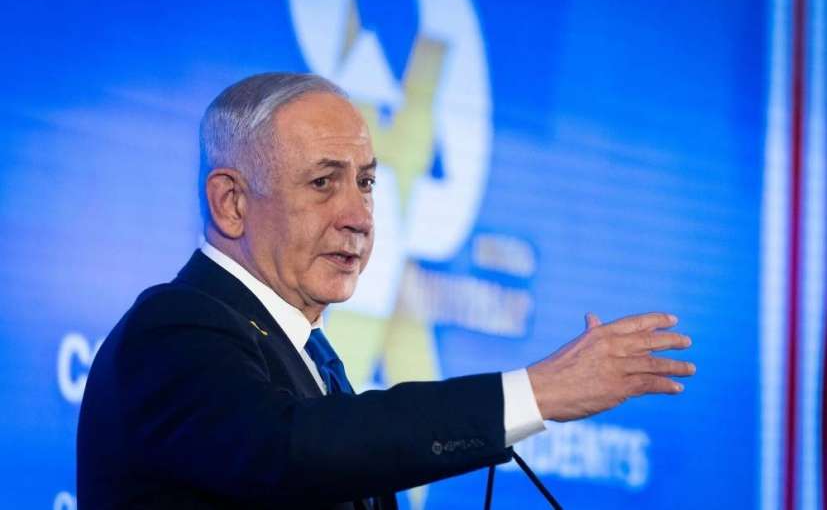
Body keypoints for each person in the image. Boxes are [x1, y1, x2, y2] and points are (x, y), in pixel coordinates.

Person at [76, 73, 695, 509]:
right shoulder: (172, 329)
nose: (360, 217)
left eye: (367, 183)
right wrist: (536, 392)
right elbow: (292, 451)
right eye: (323, 183)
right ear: (232, 203)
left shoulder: (309, 358)